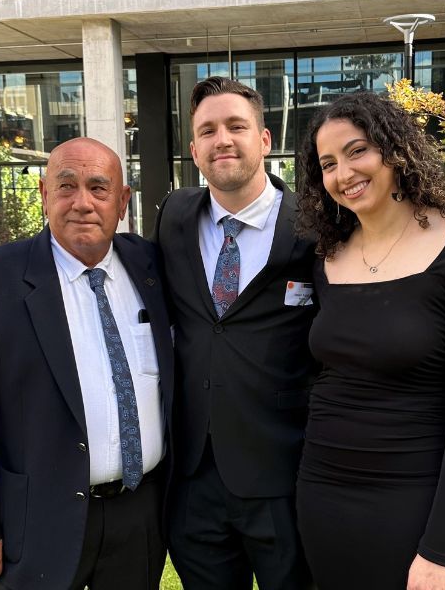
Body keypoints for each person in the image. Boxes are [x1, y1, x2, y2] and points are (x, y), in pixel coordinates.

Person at [294, 91, 445, 590]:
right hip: (323, 493)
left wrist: (440, 548)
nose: (344, 173)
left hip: (418, 500)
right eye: (327, 163)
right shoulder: (327, 256)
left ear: (394, 149)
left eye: (356, 151)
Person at [0, 138, 174, 590]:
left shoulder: (152, 266)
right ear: (44, 194)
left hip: (140, 515)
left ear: (122, 203)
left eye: (99, 188)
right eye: (66, 186)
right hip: (37, 519)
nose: (82, 202)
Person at [153, 77, 317, 590]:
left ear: (264, 140)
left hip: (281, 475)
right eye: (208, 130)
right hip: (193, 478)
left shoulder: (313, 226)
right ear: (194, 149)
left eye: (236, 126)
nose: (222, 139)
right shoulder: (173, 217)